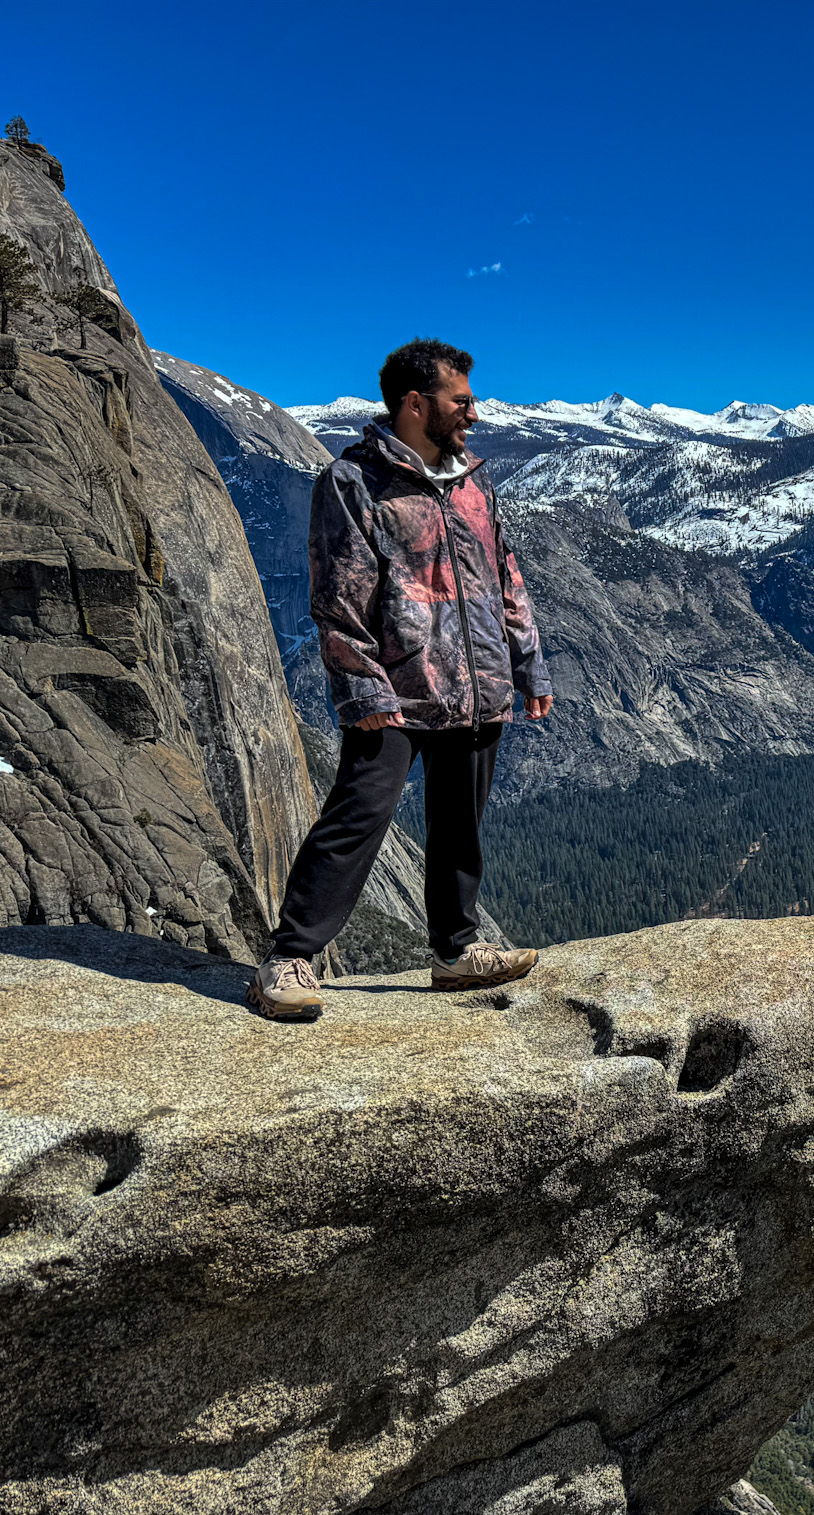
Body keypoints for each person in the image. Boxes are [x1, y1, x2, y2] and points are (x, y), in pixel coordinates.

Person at [246, 339, 553, 1020]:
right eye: (461, 400)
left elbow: (507, 580)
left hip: (478, 685)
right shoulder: (354, 484)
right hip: (395, 686)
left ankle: (454, 951)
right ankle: (289, 958)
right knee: (359, 816)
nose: (474, 413)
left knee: (459, 824)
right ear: (417, 405)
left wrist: (527, 663)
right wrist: (362, 688)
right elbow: (339, 597)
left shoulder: (474, 484)